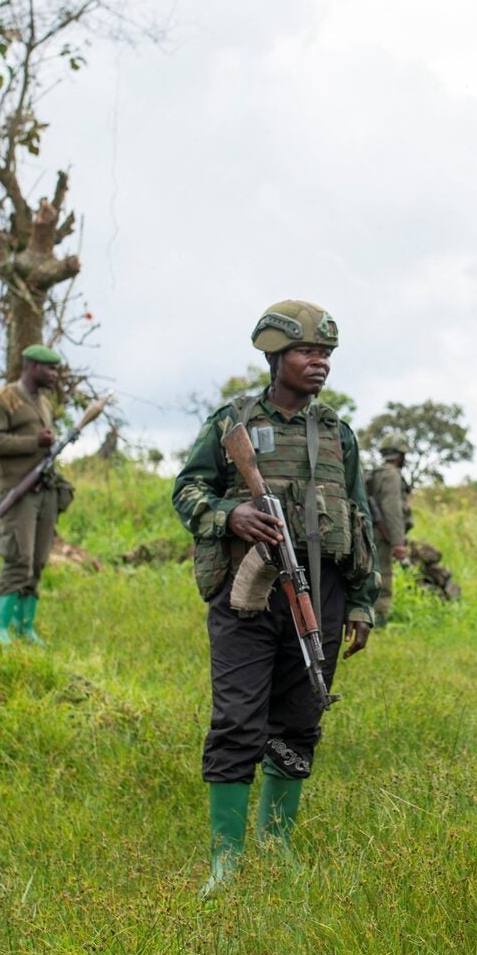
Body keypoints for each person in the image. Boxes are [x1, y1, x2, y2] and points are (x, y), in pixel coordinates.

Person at [173, 300, 377, 896]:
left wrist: (363, 602)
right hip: (249, 595)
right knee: (237, 718)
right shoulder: (231, 421)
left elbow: (358, 517)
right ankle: (226, 861)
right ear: (274, 355)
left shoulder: (338, 433)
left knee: (302, 716)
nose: (320, 363)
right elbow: (188, 489)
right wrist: (228, 514)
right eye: (308, 352)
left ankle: (276, 842)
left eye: (327, 354)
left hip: (324, 593)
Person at [0, 345, 69, 646]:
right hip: (18, 493)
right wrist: (33, 441)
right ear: (31, 366)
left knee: (39, 560)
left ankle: (24, 626)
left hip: (44, 493)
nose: (55, 375)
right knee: (19, 557)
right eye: (50, 369)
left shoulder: (42, 403)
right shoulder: (4, 398)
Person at [367, 439, 413, 626]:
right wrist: (398, 542)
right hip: (383, 533)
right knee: (384, 575)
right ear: (399, 455)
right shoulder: (392, 475)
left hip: (371, 531)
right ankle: (379, 621)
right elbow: (392, 510)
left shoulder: (375, 474)